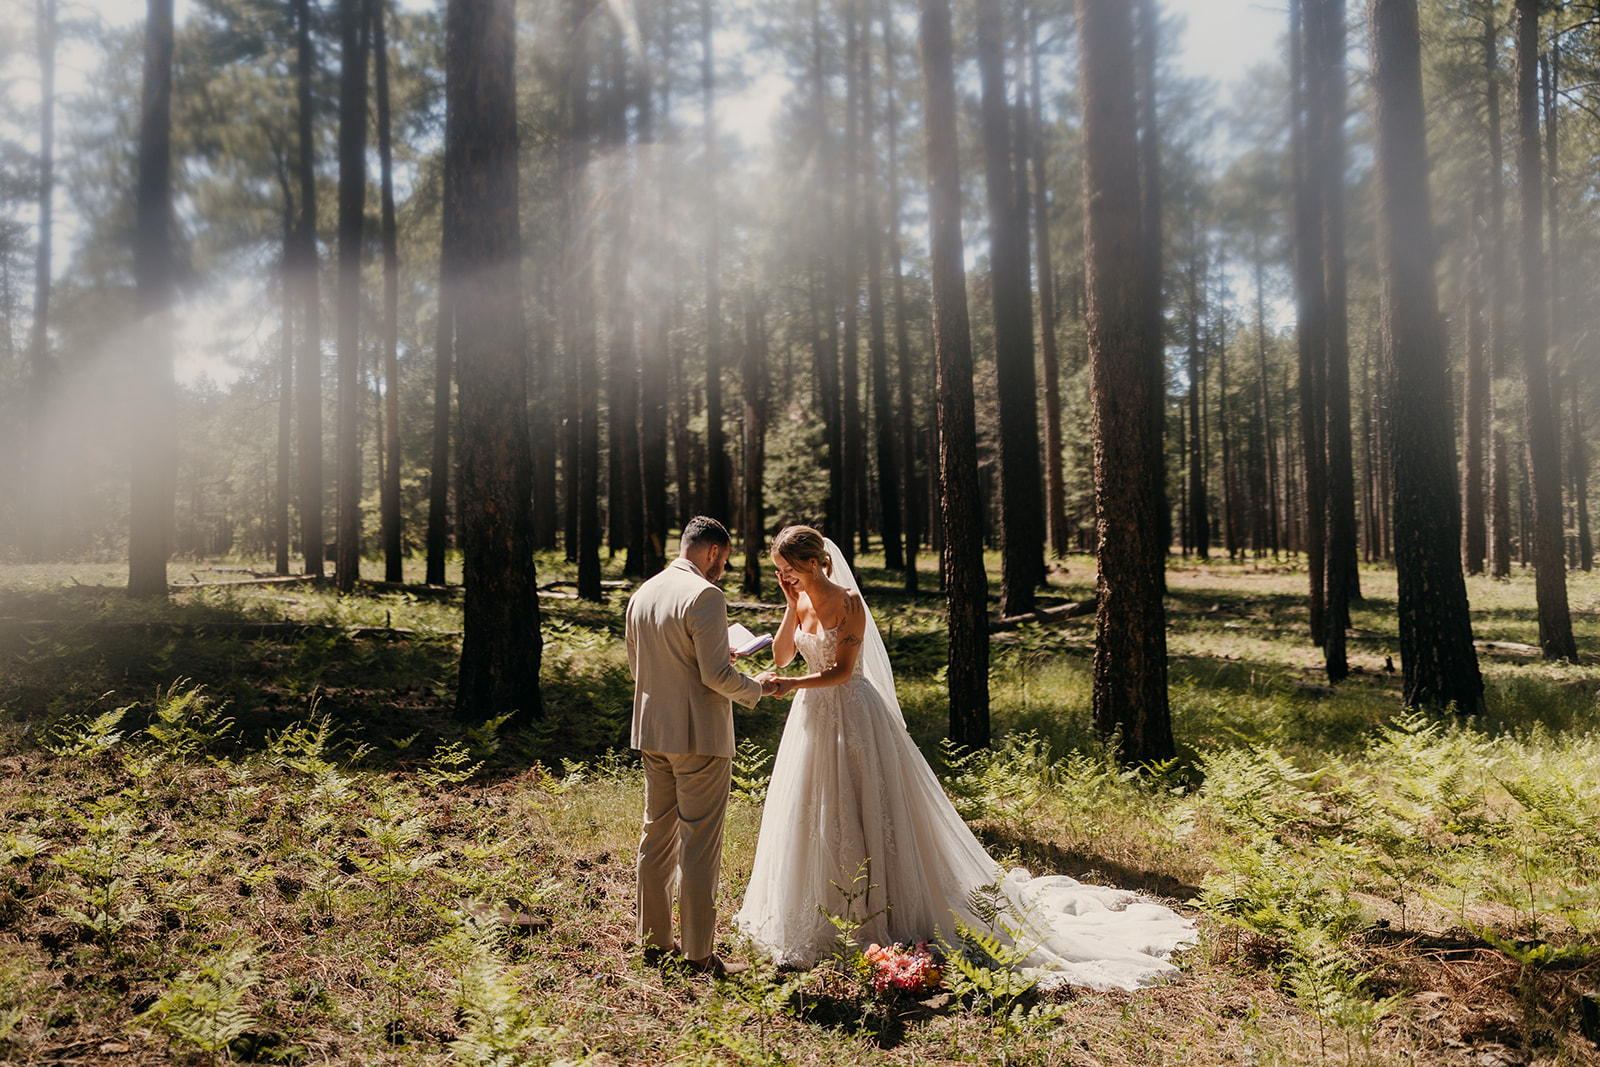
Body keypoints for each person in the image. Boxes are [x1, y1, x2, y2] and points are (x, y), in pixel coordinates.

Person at [736, 525, 1195, 991]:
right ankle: (825, 908)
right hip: (813, 717)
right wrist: (790, 606)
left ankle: (886, 905)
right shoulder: (800, 601)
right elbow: (780, 656)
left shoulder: (850, 603)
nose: (783, 575)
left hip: (854, 714)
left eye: (787, 569)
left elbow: (842, 672)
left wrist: (792, 685)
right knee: (817, 808)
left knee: (870, 806)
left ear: (813, 563)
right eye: (779, 571)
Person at [626, 516, 779, 975]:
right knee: (699, 844)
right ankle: (697, 953)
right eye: (724, 561)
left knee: (656, 835)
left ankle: (653, 941)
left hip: (654, 730)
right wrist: (759, 687)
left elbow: (641, 667)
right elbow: (715, 677)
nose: (722, 571)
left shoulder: (643, 593)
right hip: (700, 737)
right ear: (713, 552)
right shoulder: (706, 595)